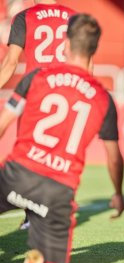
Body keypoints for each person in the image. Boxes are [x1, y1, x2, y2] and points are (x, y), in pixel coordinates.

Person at [0, 13, 124, 263]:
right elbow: (114, 157)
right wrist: (118, 193)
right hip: (57, 192)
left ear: (65, 45)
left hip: (15, 175)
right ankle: (38, 261)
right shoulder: (103, 100)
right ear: (94, 50)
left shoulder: (36, 77)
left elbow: (3, 124)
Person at [0, 0, 75, 230]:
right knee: (55, 156)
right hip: (64, 93)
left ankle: (32, 211)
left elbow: (11, 62)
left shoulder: (25, 17)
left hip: (34, 92)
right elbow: (83, 61)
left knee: (28, 153)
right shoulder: (73, 16)